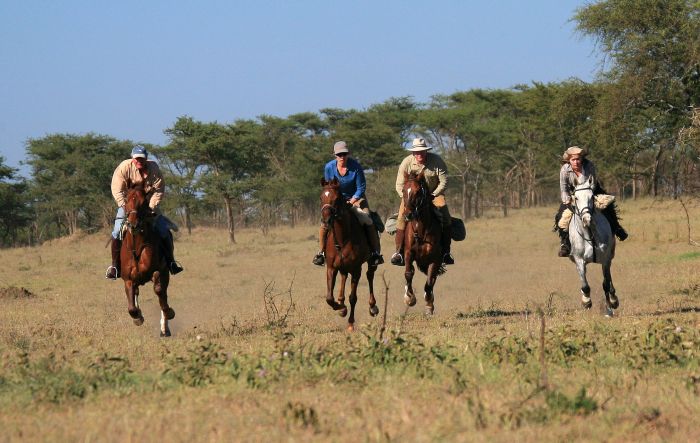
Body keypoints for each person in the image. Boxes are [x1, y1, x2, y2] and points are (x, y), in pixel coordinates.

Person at [105, 145, 184, 279]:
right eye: (136, 159)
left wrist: (151, 206)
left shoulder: (154, 169)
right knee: (117, 230)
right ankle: (115, 267)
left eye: (141, 159)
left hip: (148, 205)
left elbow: (159, 189)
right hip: (128, 205)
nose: (139, 161)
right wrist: (125, 206)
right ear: (132, 158)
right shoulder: (124, 167)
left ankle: (171, 262)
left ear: (146, 159)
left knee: (163, 230)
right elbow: (117, 189)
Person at [312, 141, 384, 267]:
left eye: (344, 154)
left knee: (367, 219)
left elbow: (361, 187)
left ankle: (374, 253)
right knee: (324, 223)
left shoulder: (356, 166)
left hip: (356, 199)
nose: (342, 157)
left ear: (348, 154)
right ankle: (321, 253)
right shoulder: (329, 167)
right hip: (336, 201)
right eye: (339, 154)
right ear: (335, 155)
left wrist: (352, 201)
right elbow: (328, 187)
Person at [555, 145, 628, 257]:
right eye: (573, 160)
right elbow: (563, 188)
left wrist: (588, 195)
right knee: (561, 216)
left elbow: (593, 183)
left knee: (608, 206)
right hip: (573, 194)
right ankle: (565, 244)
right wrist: (567, 200)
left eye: (578, 159)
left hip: (591, 191)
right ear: (569, 160)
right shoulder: (564, 169)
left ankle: (617, 228)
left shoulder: (589, 165)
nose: (576, 162)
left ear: (582, 159)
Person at [391, 138, 454, 266]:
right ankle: (398, 252)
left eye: (422, 151)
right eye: (416, 152)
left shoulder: (437, 161)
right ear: (413, 153)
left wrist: (434, 194)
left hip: (433, 194)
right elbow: (399, 185)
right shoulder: (406, 162)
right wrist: (406, 199)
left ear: (426, 151)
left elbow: (444, 181)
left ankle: (446, 252)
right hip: (411, 197)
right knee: (401, 218)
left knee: (445, 215)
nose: (419, 154)